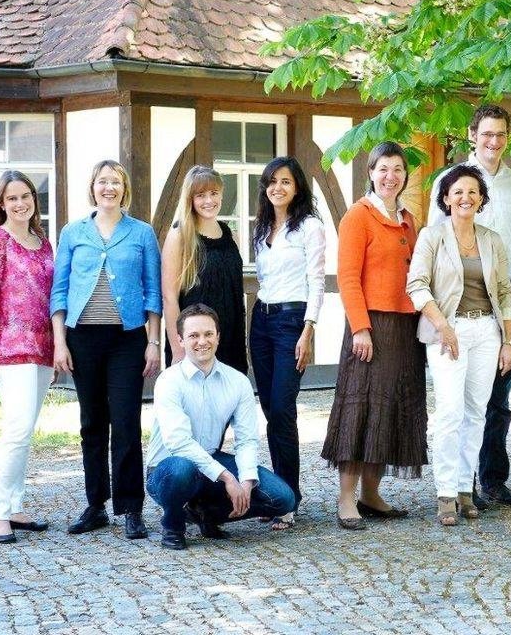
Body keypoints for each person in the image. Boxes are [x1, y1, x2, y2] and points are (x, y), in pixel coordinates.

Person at [51, 159, 162, 540]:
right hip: (82, 338)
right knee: (91, 423)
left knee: (127, 423)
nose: (108, 188)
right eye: (102, 182)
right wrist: (59, 341)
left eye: (115, 182)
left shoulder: (142, 233)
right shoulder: (72, 232)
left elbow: (153, 291)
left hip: (127, 339)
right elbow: (59, 291)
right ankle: (96, 505)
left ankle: (131, 508)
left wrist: (153, 340)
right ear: (93, 188)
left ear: (124, 188)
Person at [427, 104, 511, 507]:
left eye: (501, 134)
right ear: (473, 134)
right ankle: (459, 485)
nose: (494, 141)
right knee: (458, 402)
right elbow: (433, 244)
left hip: (505, 299)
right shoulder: (449, 180)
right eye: (487, 134)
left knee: (498, 398)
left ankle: (492, 479)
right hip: (458, 306)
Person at [320, 141, 427, 530]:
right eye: (383, 168)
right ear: (370, 172)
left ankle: (371, 493)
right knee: (361, 408)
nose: (391, 176)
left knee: (391, 408)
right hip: (370, 326)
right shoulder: (357, 216)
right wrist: (360, 328)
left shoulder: (408, 219)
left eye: (398, 169)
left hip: (404, 327)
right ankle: (346, 498)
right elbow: (347, 277)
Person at [410, 165, 511, 525]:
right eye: (458, 192)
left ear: (481, 199)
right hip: (447, 332)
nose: (465, 198)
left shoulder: (491, 239)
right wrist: (443, 326)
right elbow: (417, 286)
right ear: (445, 198)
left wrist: (509, 341)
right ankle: (443, 493)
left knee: (476, 413)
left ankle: (463, 491)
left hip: (487, 332)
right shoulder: (432, 236)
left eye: (472, 192)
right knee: (450, 412)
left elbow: (504, 294)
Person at [145, 304, 295, 549]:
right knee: (182, 469)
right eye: (193, 335)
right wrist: (227, 477)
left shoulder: (237, 382)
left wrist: (245, 481)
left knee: (282, 498)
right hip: (168, 467)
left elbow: (246, 439)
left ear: (218, 337)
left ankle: (206, 513)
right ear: (181, 340)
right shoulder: (168, 381)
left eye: (208, 334)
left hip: (210, 461)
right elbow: (178, 443)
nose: (201, 341)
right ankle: (173, 525)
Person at [0, 171, 56, 544]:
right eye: (12, 199)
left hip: (42, 350)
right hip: (9, 350)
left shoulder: (43, 244)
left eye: (26, 196)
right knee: (16, 429)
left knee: (26, 433)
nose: (21, 203)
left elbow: (53, 299)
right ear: (1, 203)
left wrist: (57, 348)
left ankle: (14, 506)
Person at [250, 157, 326, 530]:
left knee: (282, 408)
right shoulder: (262, 227)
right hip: (260, 320)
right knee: (270, 410)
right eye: (271, 182)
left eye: (285, 181)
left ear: (297, 187)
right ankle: (280, 494)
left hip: (291, 320)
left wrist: (308, 329)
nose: (277, 187)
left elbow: (317, 280)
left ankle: (288, 499)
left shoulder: (310, 226)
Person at [161, 165, 246, 374]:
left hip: (229, 338)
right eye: (201, 195)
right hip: (194, 343)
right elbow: (169, 297)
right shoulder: (180, 235)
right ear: (190, 198)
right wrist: (178, 350)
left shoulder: (231, 235)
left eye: (214, 193)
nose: (209, 200)